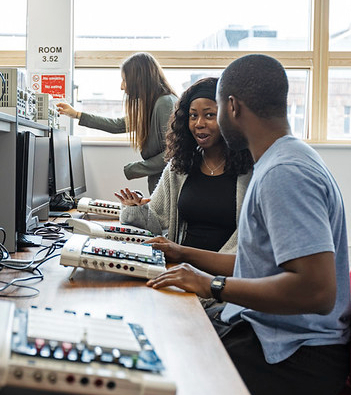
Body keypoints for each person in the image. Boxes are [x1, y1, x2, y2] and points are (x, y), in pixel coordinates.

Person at [146, 54, 350, 395]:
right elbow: (258, 267)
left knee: (157, 366)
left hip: (293, 354)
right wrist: (182, 255)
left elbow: (317, 291)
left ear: (232, 107)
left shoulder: (284, 173)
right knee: (161, 326)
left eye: (215, 111)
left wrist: (213, 286)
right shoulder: (282, 157)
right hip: (271, 333)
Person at [114, 77, 253, 256]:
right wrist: (135, 208)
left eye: (209, 115)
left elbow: (251, 243)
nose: (199, 123)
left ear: (229, 118)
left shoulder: (251, 171)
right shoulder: (179, 166)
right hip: (179, 266)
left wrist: (189, 257)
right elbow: (155, 221)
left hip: (225, 272)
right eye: (193, 115)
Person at [56, 52, 177, 194]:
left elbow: (173, 153)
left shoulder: (164, 103)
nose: (122, 87)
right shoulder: (152, 105)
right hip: (160, 183)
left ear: (139, 80)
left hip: (169, 186)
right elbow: (118, 125)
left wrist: (137, 168)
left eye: (125, 80)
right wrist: (76, 115)